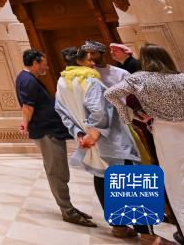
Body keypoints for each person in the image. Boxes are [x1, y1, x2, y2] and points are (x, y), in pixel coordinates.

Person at [54, 46, 148, 239]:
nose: (92, 63)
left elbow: (62, 112)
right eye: (89, 59)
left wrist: (80, 134)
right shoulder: (90, 81)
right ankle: (147, 235)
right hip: (109, 139)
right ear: (80, 61)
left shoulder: (62, 83)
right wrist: (94, 134)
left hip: (88, 142)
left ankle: (119, 227)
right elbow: (99, 112)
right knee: (130, 181)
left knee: (102, 178)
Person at [104, 44, 184, 235]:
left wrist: (128, 118)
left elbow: (110, 94)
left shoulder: (139, 78)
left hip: (165, 131)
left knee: (176, 180)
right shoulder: (181, 77)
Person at [16, 49, 96, 228]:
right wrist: (25, 124)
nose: (47, 67)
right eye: (44, 64)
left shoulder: (28, 78)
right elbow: (27, 106)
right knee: (56, 171)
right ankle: (67, 210)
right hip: (46, 131)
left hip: (50, 130)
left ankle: (69, 206)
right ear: (35, 63)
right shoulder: (27, 80)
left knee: (59, 169)